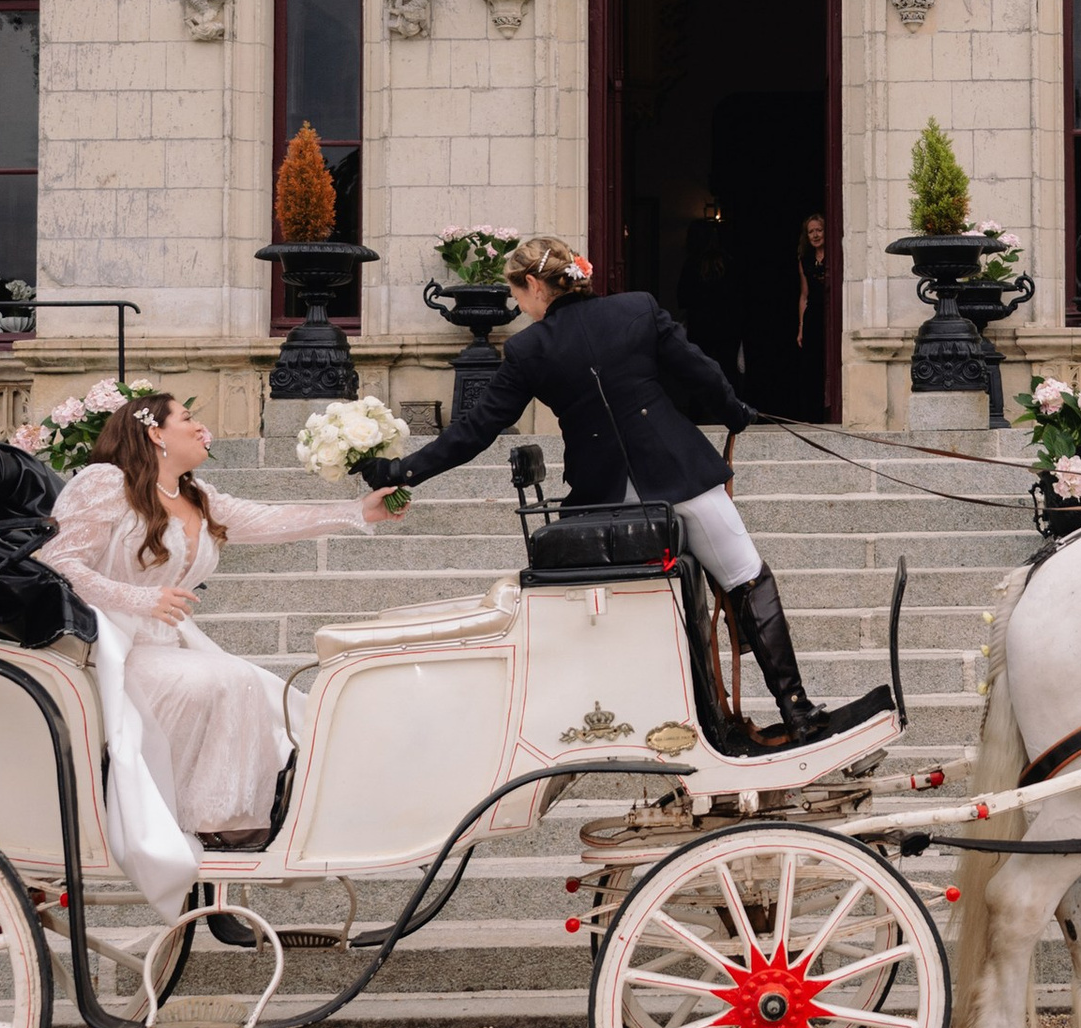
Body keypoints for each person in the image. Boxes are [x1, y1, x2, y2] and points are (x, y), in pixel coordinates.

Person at [356, 235, 847, 744]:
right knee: (747, 577)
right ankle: (797, 710)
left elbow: (475, 430)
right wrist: (735, 413)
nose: (519, 306)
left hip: (603, 501)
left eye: (517, 294)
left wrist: (402, 472)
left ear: (533, 285)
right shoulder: (638, 308)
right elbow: (700, 371)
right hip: (680, 472)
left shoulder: (528, 348)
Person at [34, 390, 399, 928]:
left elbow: (268, 519)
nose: (201, 428)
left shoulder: (194, 494)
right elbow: (57, 561)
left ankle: (249, 817)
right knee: (223, 680)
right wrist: (138, 598)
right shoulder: (105, 482)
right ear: (155, 433)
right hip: (105, 649)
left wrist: (356, 511)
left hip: (166, 647)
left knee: (263, 689)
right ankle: (214, 826)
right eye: (187, 418)